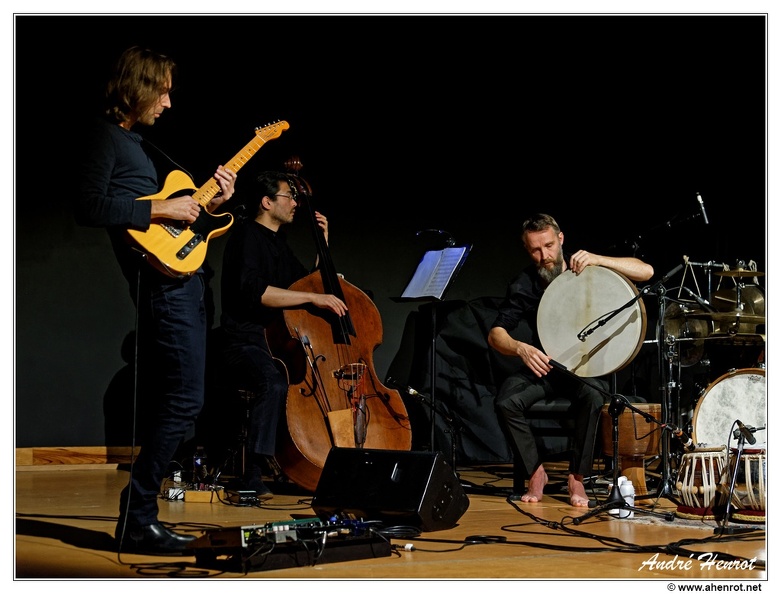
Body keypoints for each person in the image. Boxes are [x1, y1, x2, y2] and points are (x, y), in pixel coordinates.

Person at [75, 46, 237, 555]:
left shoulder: (139, 145)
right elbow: (88, 204)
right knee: (184, 401)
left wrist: (210, 202)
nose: (168, 102)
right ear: (136, 86)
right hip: (162, 290)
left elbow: (176, 219)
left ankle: (138, 514)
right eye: (162, 90)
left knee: (190, 402)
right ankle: (138, 516)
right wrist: (163, 205)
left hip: (184, 282)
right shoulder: (103, 137)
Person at [487, 213, 654, 507]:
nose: (545, 256)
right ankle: (535, 472)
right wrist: (521, 349)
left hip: (584, 370)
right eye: (535, 250)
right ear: (527, 250)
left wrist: (600, 259)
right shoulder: (525, 284)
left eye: (549, 246)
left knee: (592, 397)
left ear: (561, 238)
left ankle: (577, 477)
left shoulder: (587, 267)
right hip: (547, 369)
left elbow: (647, 272)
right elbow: (496, 334)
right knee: (506, 402)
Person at [218, 171, 348, 498]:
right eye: (289, 196)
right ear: (267, 202)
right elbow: (257, 292)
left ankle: (311, 462)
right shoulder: (247, 236)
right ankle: (252, 474)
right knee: (272, 382)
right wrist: (313, 296)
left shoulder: (278, 243)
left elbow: (305, 285)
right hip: (244, 340)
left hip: (276, 342)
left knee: (297, 382)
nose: (296, 203)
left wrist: (325, 245)